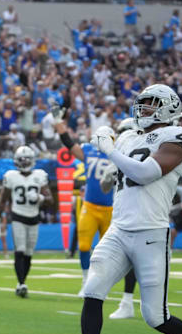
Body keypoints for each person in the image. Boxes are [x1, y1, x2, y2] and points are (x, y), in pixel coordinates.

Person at [66, 84, 182, 334]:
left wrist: (108, 149)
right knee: (92, 290)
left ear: (167, 107)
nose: (143, 110)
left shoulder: (177, 136)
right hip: (119, 229)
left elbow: (145, 173)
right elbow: (115, 177)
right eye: (142, 104)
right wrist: (109, 162)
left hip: (151, 233)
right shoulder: (127, 136)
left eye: (150, 105)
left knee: (155, 317)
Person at [55, 113, 129, 297]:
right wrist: (58, 122)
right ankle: (85, 281)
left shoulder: (117, 156)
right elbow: (69, 143)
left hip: (110, 209)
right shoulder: (88, 151)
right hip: (90, 206)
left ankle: (102, 283)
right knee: (84, 245)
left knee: (110, 251)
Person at [0, 146, 50, 298]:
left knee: (28, 253)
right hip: (18, 216)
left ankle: (22, 282)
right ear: (16, 160)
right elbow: (4, 199)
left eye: (27, 159)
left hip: (34, 217)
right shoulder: (11, 176)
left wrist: (40, 198)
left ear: (32, 160)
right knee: (19, 250)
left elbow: (50, 200)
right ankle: (21, 283)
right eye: (22, 159)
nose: (25, 162)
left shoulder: (40, 175)